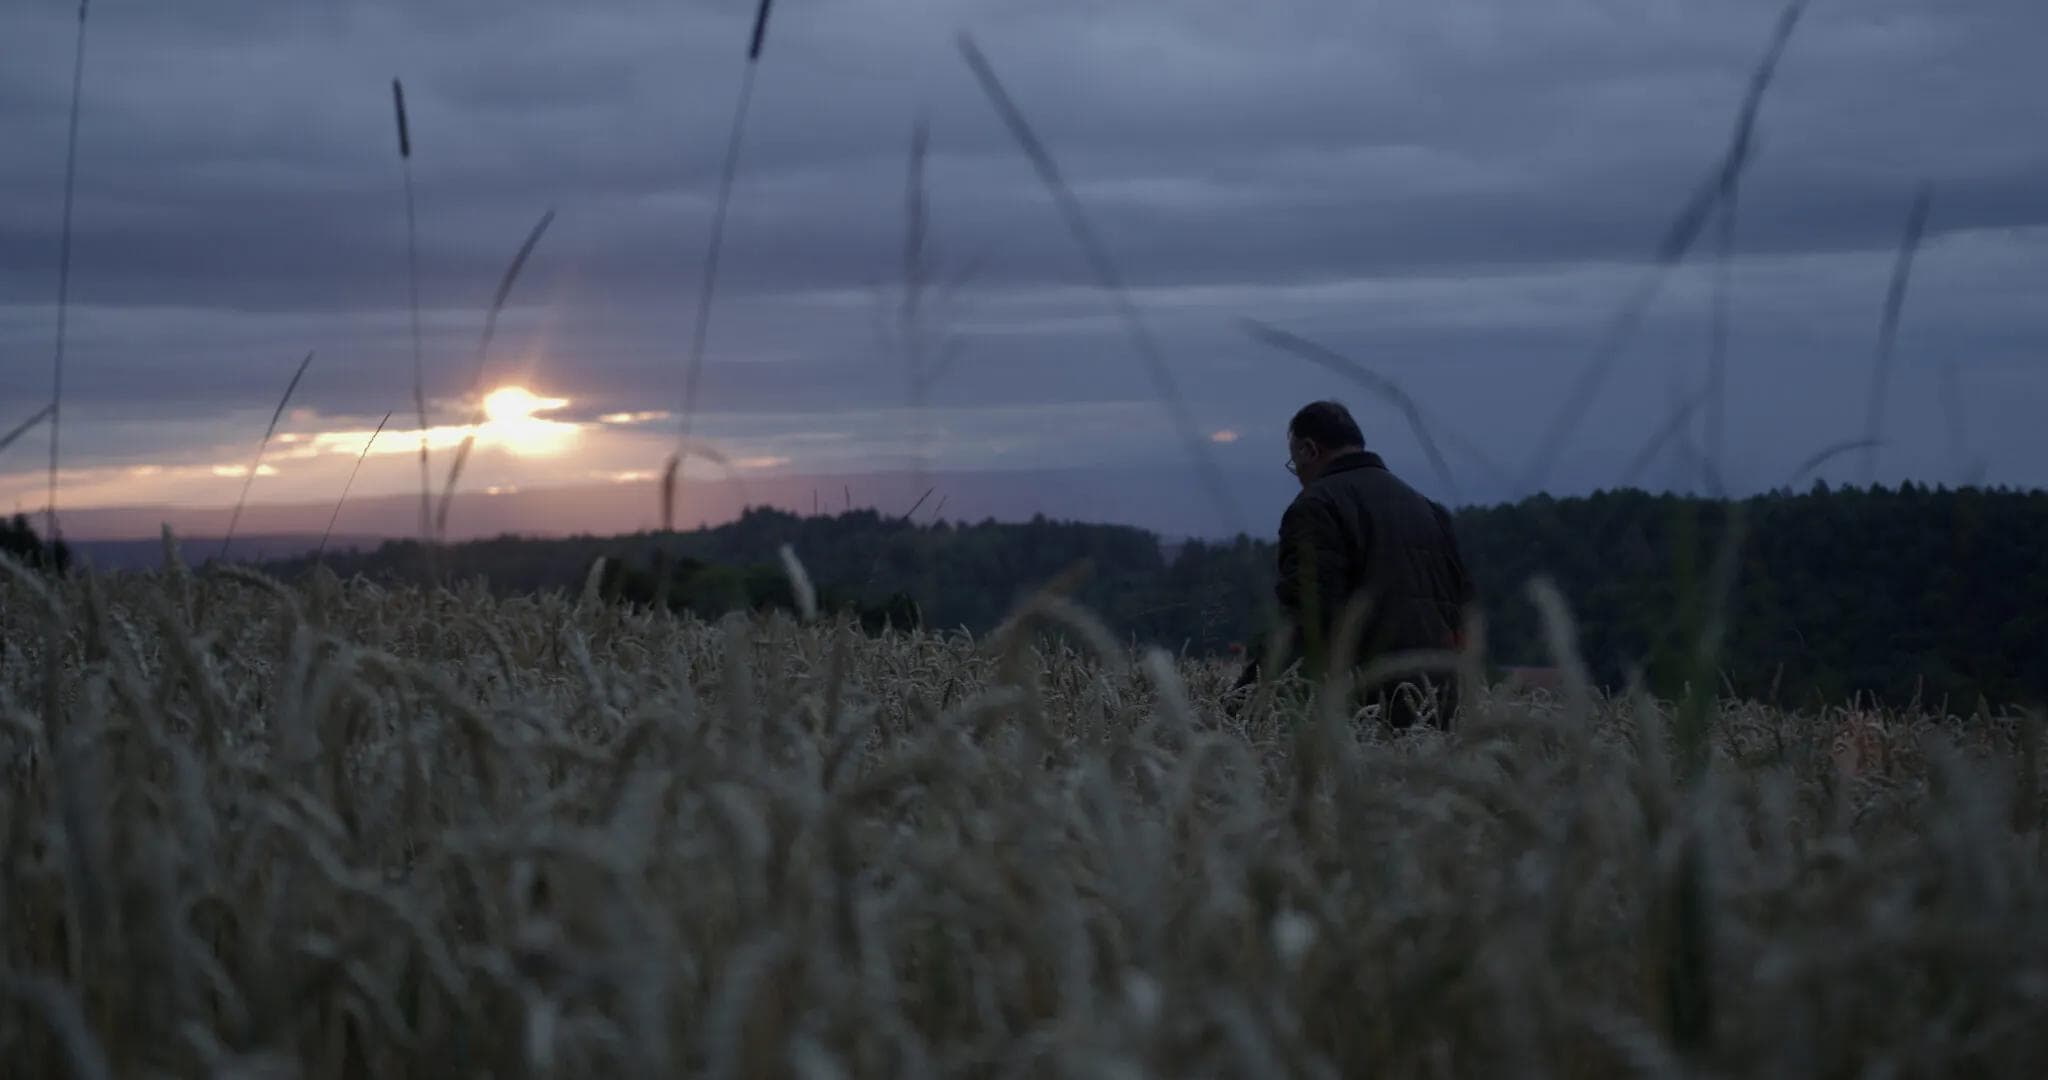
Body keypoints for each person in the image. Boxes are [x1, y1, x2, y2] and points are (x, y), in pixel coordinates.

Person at [1230, 400, 1477, 729]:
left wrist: (1239, 704)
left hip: (1365, 712)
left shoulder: (1317, 506)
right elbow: (1463, 613)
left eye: (1294, 463)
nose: (1298, 475)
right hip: (1439, 707)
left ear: (1309, 450)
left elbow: (1307, 619)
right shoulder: (1428, 509)